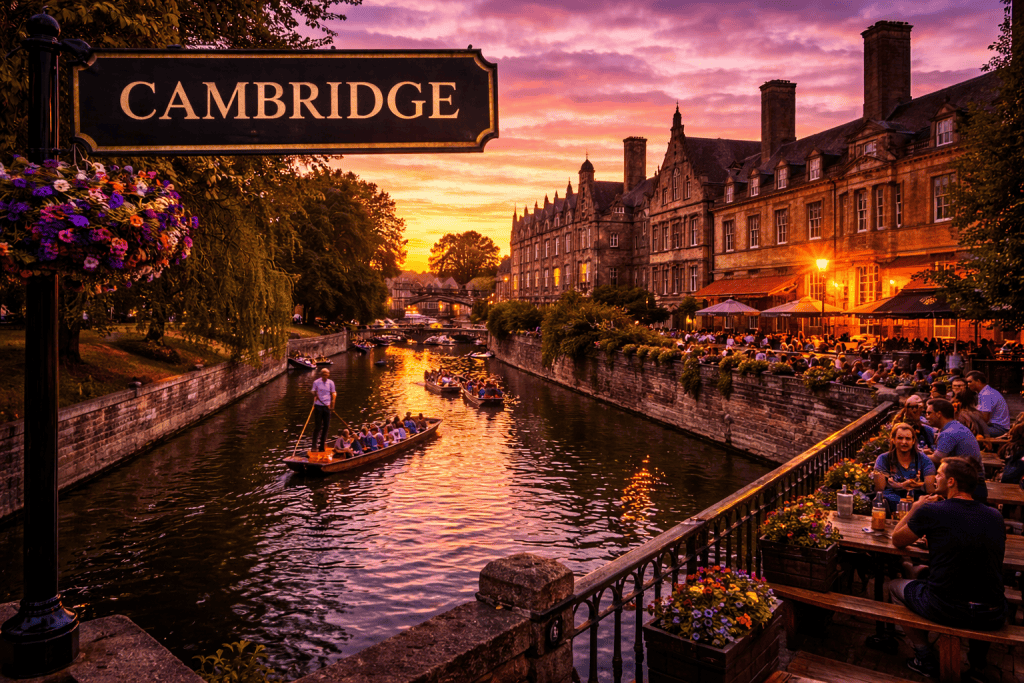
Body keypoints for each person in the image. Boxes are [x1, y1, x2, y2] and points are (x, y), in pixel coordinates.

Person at [890, 457, 1007, 678]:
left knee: (894, 586)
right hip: (992, 613)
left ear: (951, 481)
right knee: (978, 587)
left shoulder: (933, 511)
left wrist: (915, 508)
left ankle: (924, 657)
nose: (936, 478)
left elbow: (897, 539)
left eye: (940, 475)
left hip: (947, 608)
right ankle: (977, 666)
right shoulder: (995, 516)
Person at [925, 398, 987, 503]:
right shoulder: (956, 426)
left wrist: (917, 454)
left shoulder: (949, 432)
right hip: (975, 482)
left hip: (969, 488)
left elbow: (937, 458)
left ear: (939, 414)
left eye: (929, 413)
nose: (927, 417)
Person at [873, 422, 936, 511]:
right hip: (892, 504)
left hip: (917, 504)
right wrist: (903, 486)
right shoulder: (883, 459)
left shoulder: (924, 460)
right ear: (893, 440)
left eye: (908, 439)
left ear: (913, 441)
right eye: (900, 438)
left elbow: (930, 489)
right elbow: (880, 488)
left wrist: (898, 485)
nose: (904, 442)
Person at [967, 370, 1011, 437]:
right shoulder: (985, 392)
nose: (968, 384)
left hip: (998, 428)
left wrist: (969, 415)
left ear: (978, 381)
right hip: (992, 426)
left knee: (965, 431)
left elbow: (984, 419)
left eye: (970, 381)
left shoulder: (986, 394)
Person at [309, 368, 336, 453]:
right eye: (324, 374)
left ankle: (321, 446)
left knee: (326, 427)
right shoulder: (316, 382)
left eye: (327, 374)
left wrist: (332, 404)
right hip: (318, 406)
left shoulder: (331, 383)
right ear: (321, 374)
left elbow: (333, 393)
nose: (326, 376)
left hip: (327, 407)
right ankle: (314, 446)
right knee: (318, 426)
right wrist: (315, 394)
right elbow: (312, 391)